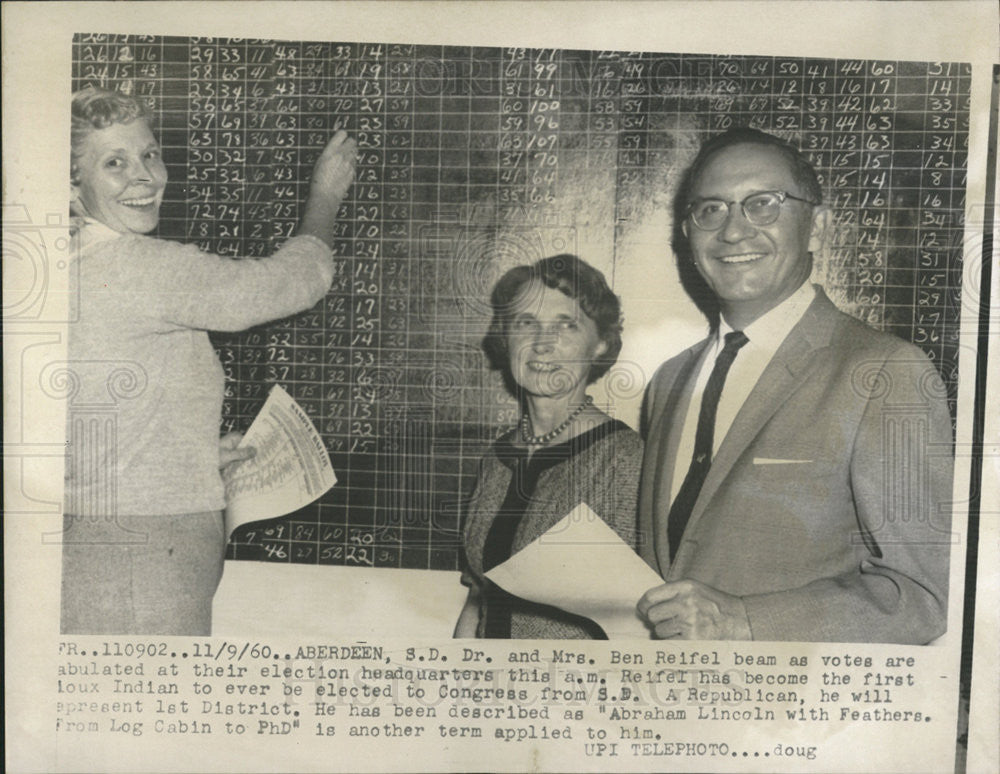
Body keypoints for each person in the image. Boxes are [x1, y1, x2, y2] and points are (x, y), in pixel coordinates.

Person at [636, 128, 953, 644]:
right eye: (710, 210)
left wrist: (743, 620)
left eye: (762, 205)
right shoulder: (669, 381)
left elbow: (918, 598)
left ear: (818, 227)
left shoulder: (885, 371)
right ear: (687, 236)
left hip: (789, 716)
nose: (734, 232)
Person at [61, 87, 356, 635]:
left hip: (105, 544)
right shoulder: (138, 266)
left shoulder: (64, 263)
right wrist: (325, 197)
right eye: (114, 162)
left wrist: (190, 455)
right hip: (146, 553)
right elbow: (291, 283)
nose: (145, 177)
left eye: (150, 153)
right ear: (73, 182)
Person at [454, 254, 644, 639]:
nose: (542, 344)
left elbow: (638, 622)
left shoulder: (626, 462)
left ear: (600, 344)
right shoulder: (497, 460)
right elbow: (479, 597)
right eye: (526, 323)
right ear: (506, 338)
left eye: (566, 325)